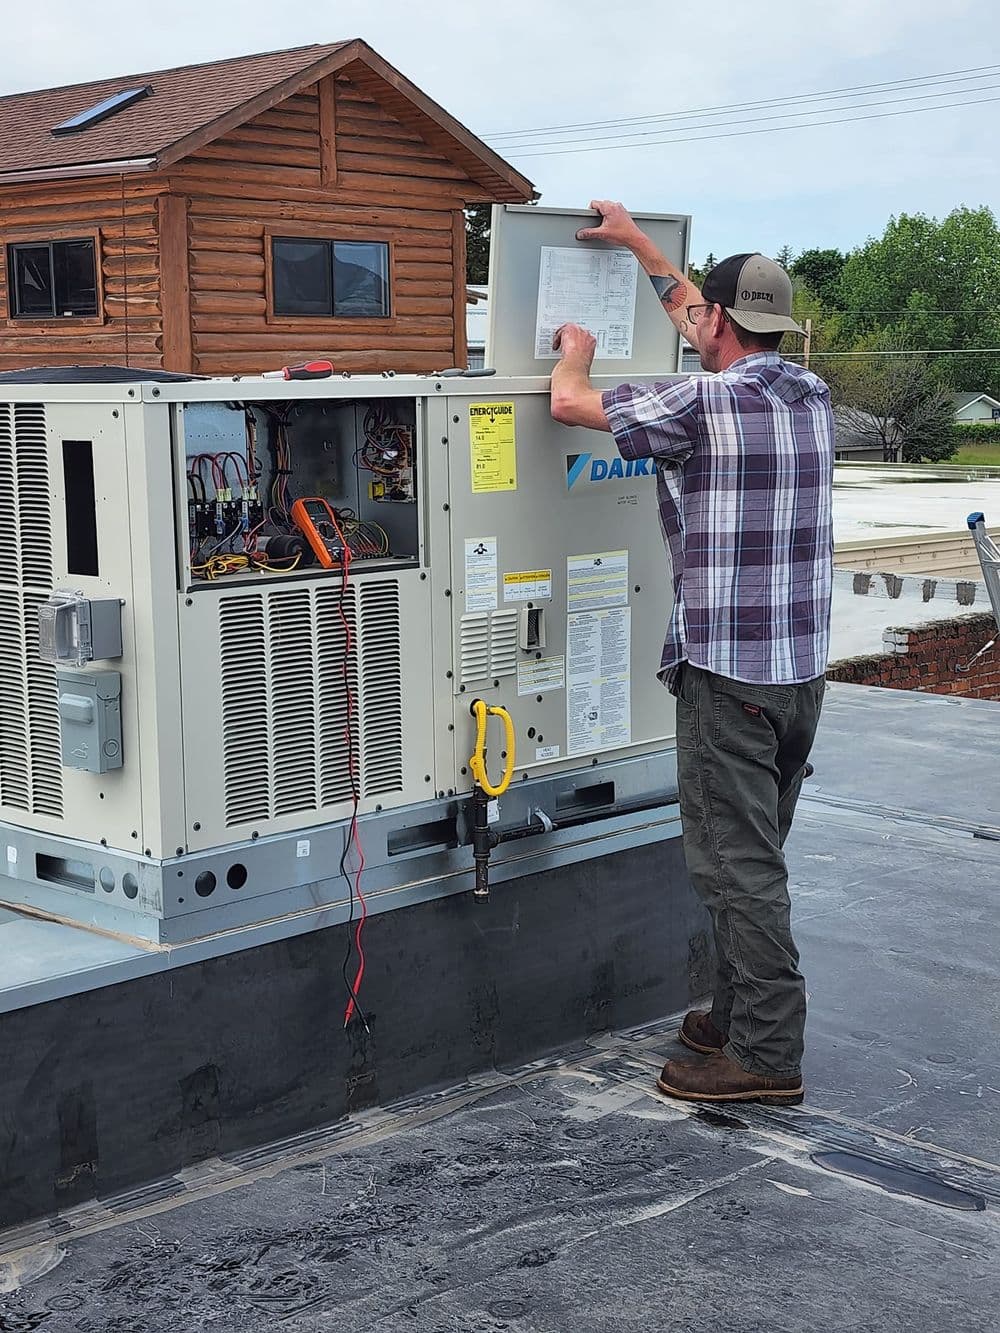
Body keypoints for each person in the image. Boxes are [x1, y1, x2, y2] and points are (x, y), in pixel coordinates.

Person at [550, 201, 834, 1106]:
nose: (695, 325)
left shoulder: (699, 405)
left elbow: (566, 404)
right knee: (755, 850)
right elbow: (700, 322)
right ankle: (740, 1012)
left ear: (718, 323)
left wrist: (573, 350)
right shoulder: (810, 395)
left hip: (728, 676)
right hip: (798, 674)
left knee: (734, 865)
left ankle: (764, 1053)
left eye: (703, 316)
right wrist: (637, 243)